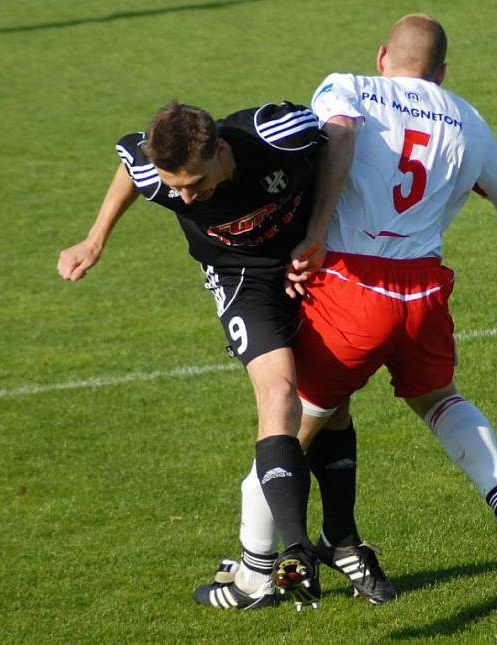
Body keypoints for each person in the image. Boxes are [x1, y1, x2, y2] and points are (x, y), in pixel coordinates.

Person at [206, 13, 497, 610]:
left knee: (287, 428)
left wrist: (315, 230)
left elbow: (338, 138)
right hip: (422, 293)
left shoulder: (348, 86)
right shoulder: (465, 117)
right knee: (441, 399)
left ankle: (253, 574)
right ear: (442, 72)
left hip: (350, 286)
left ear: (382, 55)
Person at [56, 100, 343, 610]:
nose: (185, 197)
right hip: (241, 281)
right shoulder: (155, 171)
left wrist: (318, 233)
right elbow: (130, 170)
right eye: (174, 187)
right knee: (279, 394)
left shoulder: (276, 133)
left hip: (314, 263)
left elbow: (341, 136)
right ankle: (296, 551)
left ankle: (340, 539)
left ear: (222, 151)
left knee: (333, 399)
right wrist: (94, 240)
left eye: (194, 183)